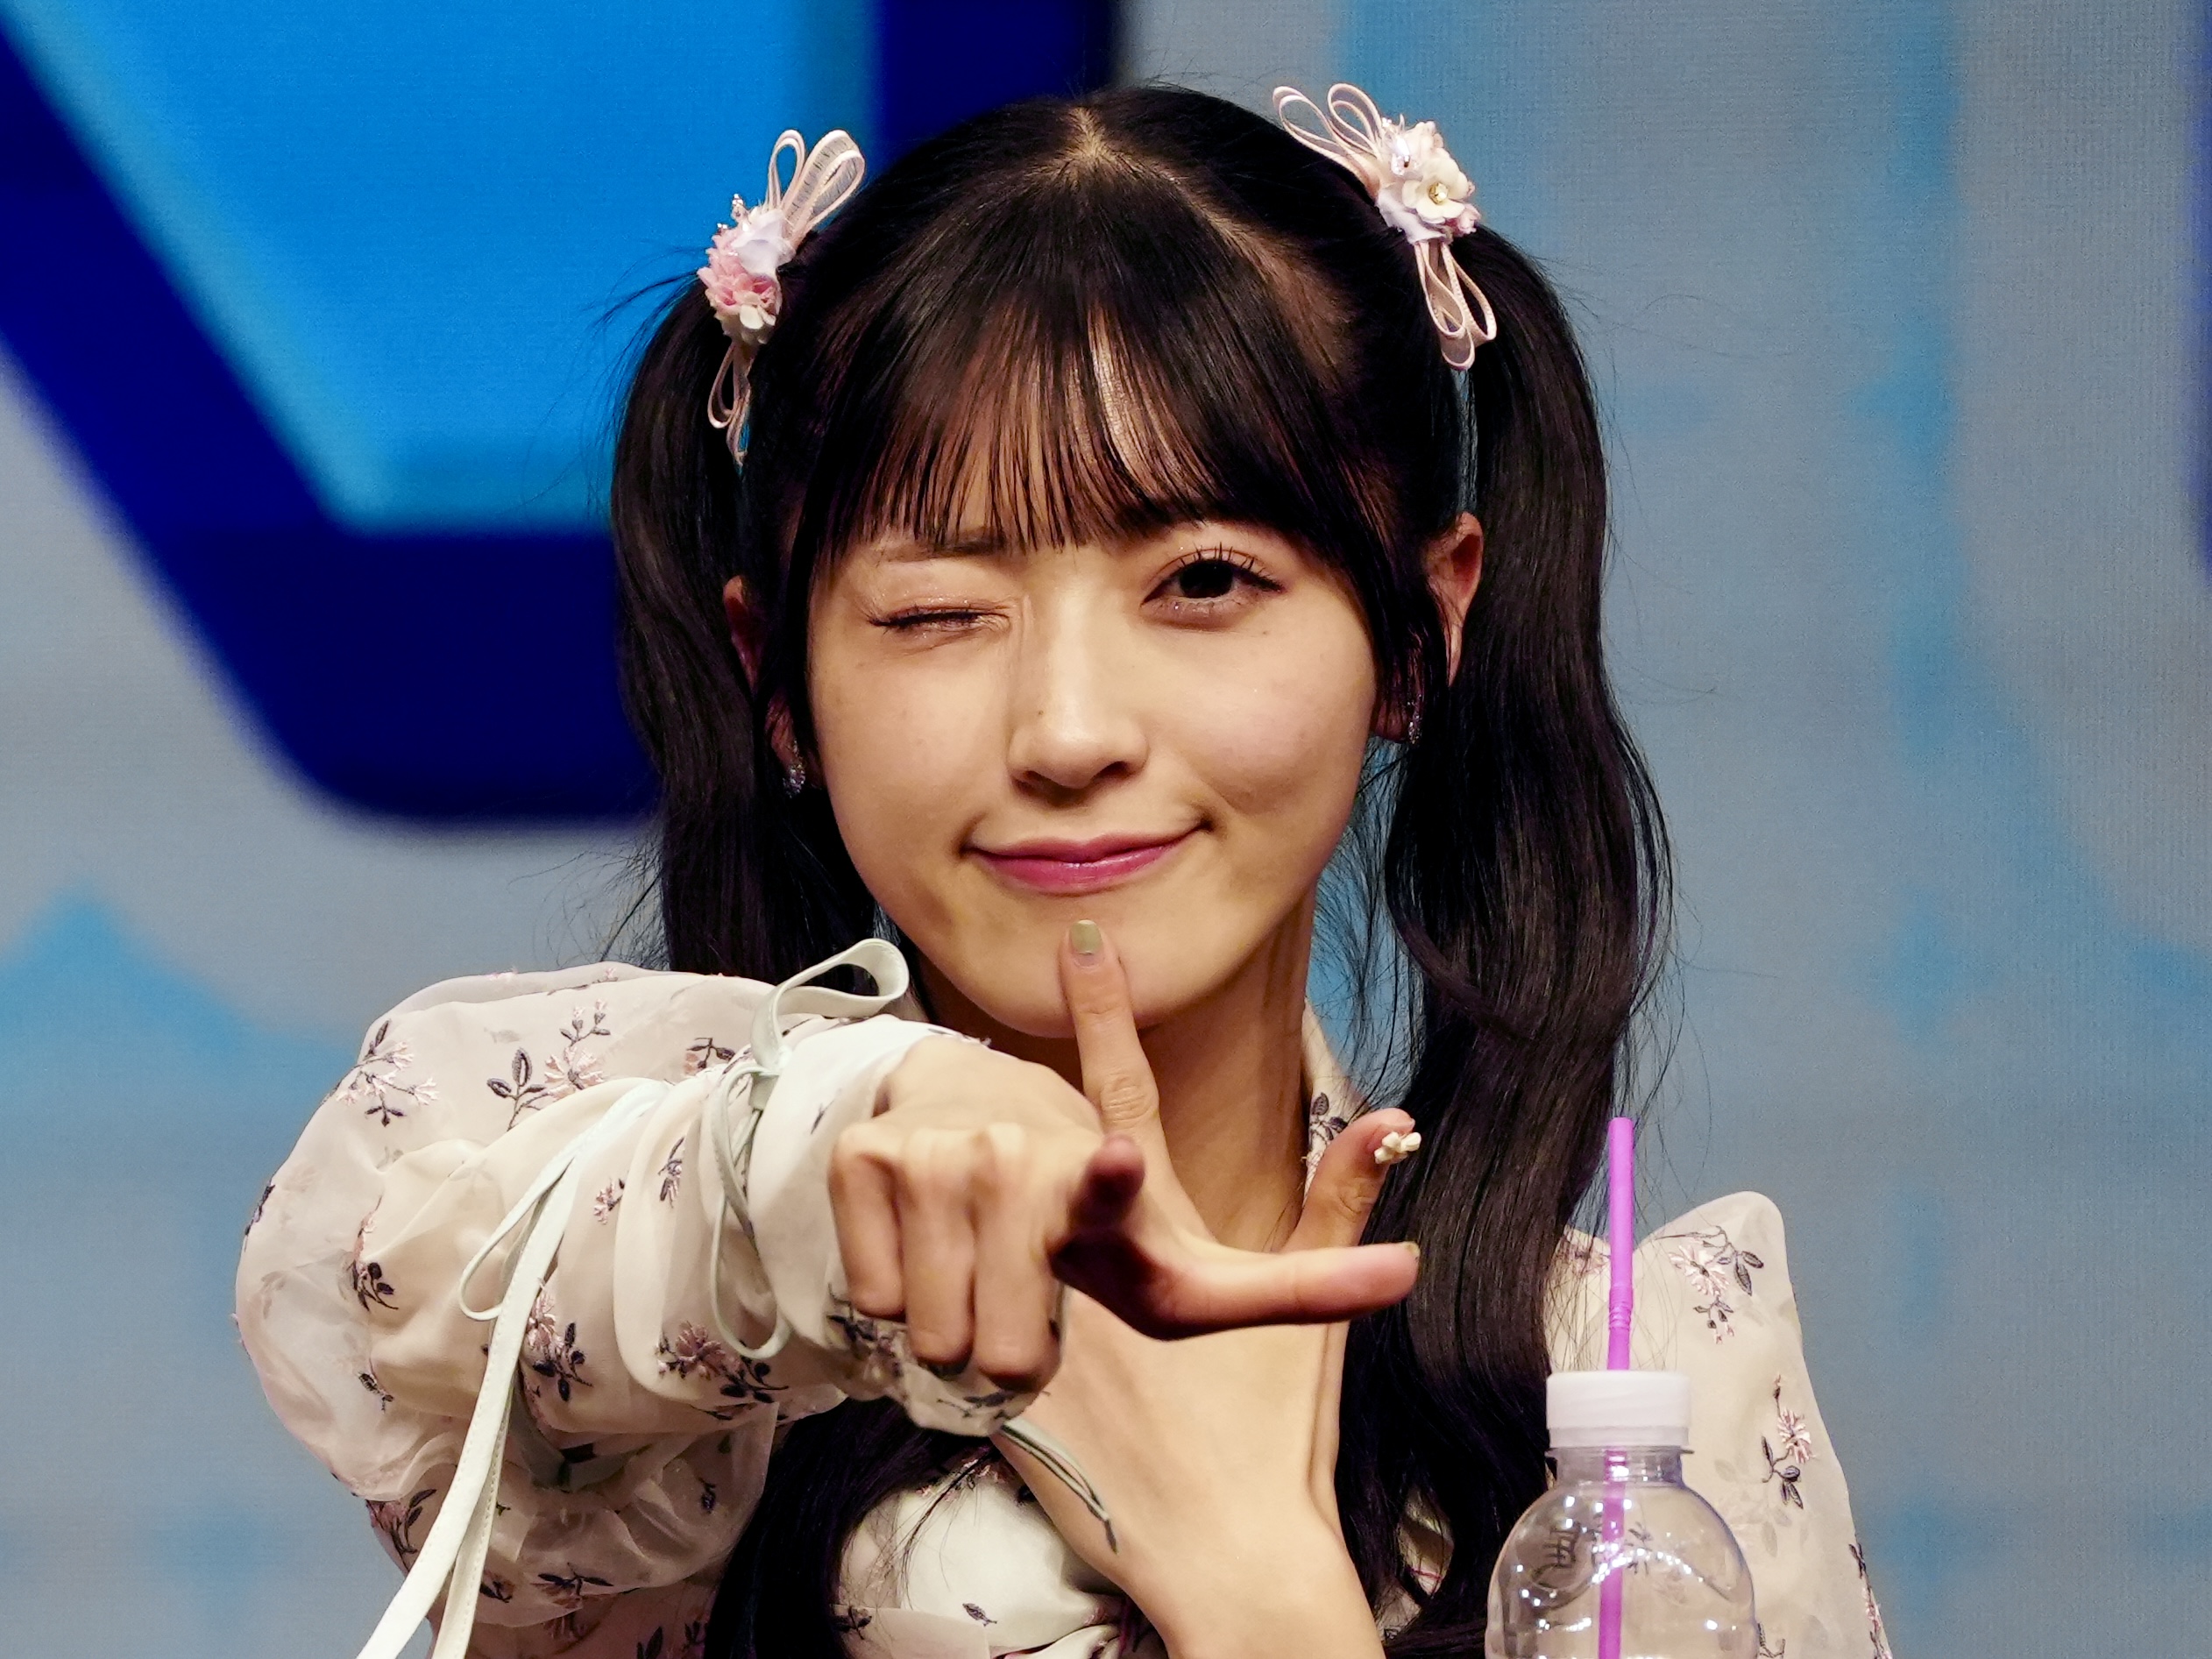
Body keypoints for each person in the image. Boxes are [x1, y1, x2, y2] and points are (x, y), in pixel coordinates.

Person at [237, 82, 1891, 1659]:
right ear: (776, 680)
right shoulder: (669, 1327)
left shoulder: (1644, 1394)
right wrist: (868, 1130)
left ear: (1419, 628)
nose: (1069, 728)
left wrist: (1254, 1578)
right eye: (937, 610)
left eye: (1206, 580)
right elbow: (412, 1278)